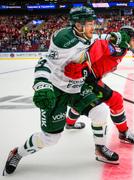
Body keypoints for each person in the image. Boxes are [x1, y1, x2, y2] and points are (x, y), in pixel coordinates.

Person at [3, 6, 122, 176]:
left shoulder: (85, 34)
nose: (93, 27)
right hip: (57, 90)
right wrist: (42, 86)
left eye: (92, 23)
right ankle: (18, 152)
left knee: (100, 111)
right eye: (89, 24)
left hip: (77, 86)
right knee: (50, 138)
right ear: (78, 25)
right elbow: (45, 63)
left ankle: (100, 148)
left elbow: (95, 39)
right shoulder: (64, 40)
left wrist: (110, 36)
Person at [64, 26, 134, 144]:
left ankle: (69, 123)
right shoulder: (116, 48)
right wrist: (80, 67)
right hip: (88, 78)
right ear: (126, 37)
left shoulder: (122, 49)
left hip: (90, 78)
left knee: (82, 102)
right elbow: (100, 44)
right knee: (116, 100)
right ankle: (124, 133)